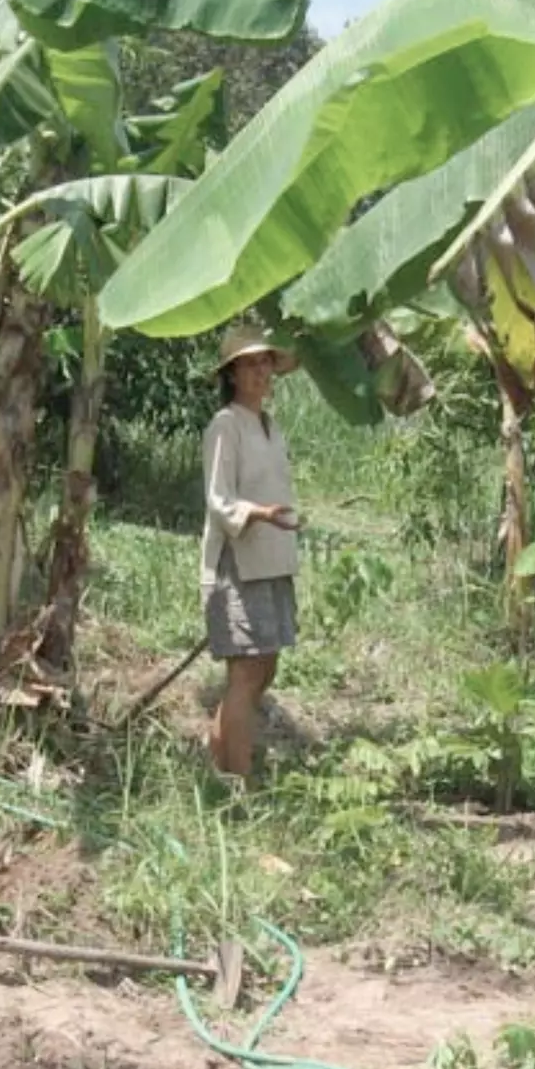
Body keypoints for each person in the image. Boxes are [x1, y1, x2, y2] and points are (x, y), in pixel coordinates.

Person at [201, 324, 304, 779]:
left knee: (265, 667)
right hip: (238, 562)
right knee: (245, 673)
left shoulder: (270, 426)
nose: (260, 372)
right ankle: (238, 783)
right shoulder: (226, 425)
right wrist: (260, 513)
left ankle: (219, 754)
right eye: (249, 364)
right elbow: (218, 498)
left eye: (265, 362)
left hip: (273, 559)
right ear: (232, 374)